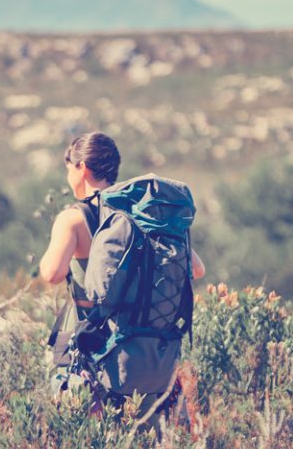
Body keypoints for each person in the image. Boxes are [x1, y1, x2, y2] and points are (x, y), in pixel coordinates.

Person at [39, 131, 205, 418]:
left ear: (82, 168)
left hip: (90, 351)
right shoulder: (140, 217)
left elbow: (52, 273)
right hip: (143, 351)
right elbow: (198, 269)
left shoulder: (74, 218)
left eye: (69, 168)